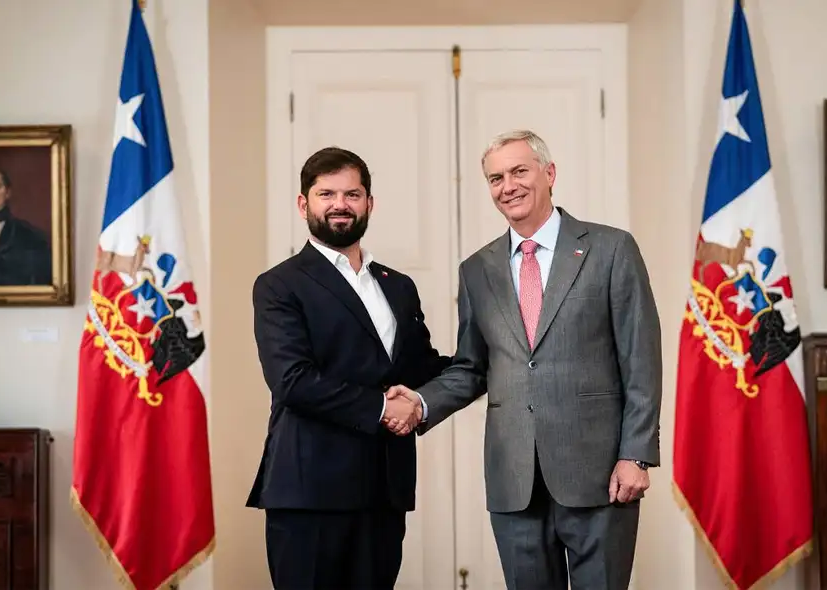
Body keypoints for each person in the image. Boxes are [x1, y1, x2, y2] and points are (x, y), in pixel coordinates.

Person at [385, 129, 663, 590]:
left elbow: (641, 359)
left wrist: (636, 454)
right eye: (496, 178)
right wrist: (420, 401)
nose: (508, 186)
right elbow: (473, 368)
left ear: (549, 173)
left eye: (519, 171)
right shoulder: (477, 270)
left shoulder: (611, 249)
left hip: (599, 476)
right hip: (514, 482)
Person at [247, 146, 451, 589]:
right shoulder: (279, 285)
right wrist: (384, 408)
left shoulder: (398, 286)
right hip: (309, 493)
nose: (340, 204)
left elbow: (420, 367)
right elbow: (292, 381)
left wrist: (493, 359)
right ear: (303, 204)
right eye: (327, 194)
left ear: (369, 203)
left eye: (352, 194)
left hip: (384, 490)